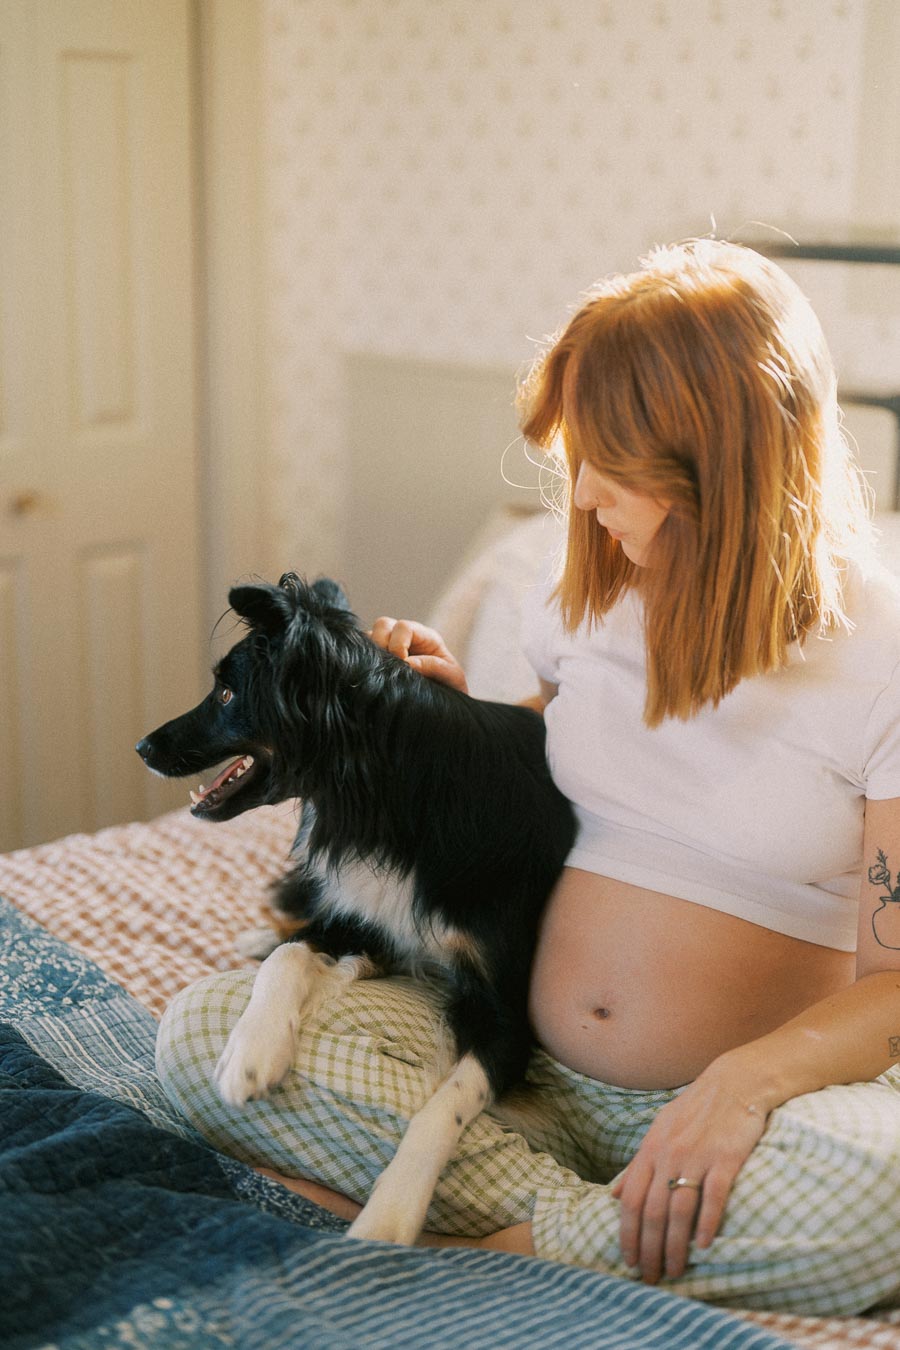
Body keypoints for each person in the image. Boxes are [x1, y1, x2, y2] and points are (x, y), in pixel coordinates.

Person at [156, 240, 900, 1316]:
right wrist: (453, 722)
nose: (584, 490)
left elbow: (895, 979)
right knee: (201, 1040)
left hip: (747, 1102)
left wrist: (744, 1084)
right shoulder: (586, 593)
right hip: (512, 1063)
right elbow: (547, 754)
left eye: (611, 458)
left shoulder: (882, 659)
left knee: (874, 1196)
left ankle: (495, 1231)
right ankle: (618, 1226)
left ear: (726, 454)